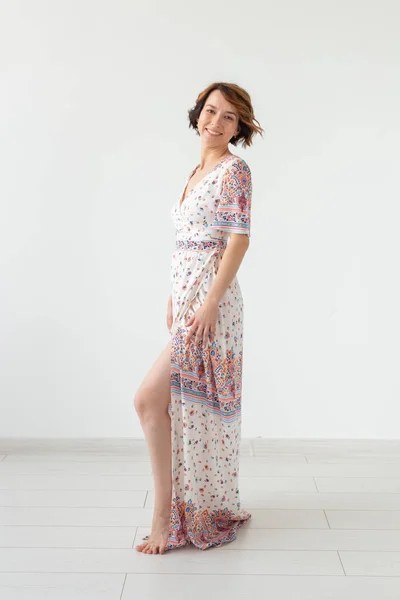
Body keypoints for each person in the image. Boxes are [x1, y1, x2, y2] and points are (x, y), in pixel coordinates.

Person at [134, 82, 264, 554]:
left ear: (239, 127)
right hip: (188, 298)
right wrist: (176, 295)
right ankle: (183, 507)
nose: (216, 122)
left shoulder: (235, 171)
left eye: (228, 117)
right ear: (198, 113)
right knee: (164, 403)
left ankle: (165, 517)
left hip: (212, 305)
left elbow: (238, 241)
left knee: (149, 399)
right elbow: (189, 240)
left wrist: (208, 302)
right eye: (211, 111)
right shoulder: (197, 168)